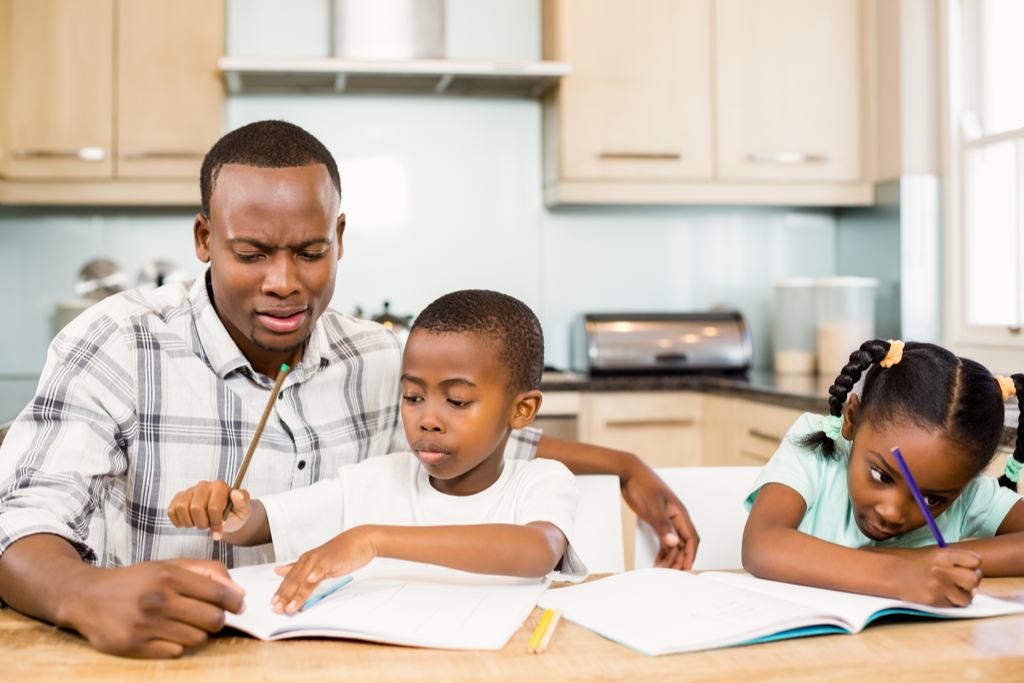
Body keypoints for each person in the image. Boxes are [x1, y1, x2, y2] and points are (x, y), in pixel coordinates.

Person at [0, 120, 697, 658]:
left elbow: (494, 445)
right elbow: (19, 519)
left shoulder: (383, 357)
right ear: (205, 239)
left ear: (339, 237)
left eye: (309, 251)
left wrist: (628, 467)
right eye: (251, 253)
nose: (284, 282)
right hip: (175, 660)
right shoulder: (117, 342)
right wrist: (81, 593)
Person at [169, 290, 587, 614]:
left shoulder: (542, 481)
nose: (428, 420)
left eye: (457, 402)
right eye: (412, 397)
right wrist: (231, 511)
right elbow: (265, 522)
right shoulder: (377, 479)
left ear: (522, 410)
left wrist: (374, 540)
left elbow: (536, 552)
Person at [742, 339, 1024, 607]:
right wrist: (901, 573)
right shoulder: (816, 446)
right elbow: (761, 544)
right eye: (881, 475)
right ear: (851, 419)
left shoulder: (964, 491)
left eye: (931, 500)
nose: (892, 512)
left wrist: (930, 559)